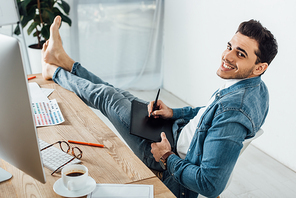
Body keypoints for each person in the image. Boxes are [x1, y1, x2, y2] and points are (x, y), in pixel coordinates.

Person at [42, 16, 278, 198]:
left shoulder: (235, 111)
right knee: (118, 93)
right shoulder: (254, 88)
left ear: (259, 67)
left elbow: (210, 184)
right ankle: (64, 61)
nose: (227, 56)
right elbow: (208, 114)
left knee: (108, 97)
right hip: (175, 132)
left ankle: (54, 71)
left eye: (240, 54)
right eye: (229, 46)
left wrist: (166, 157)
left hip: (166, 152)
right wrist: (174, 113)